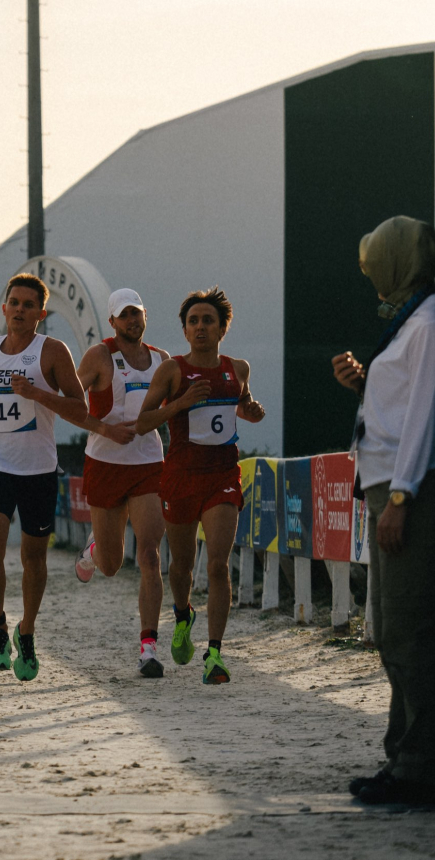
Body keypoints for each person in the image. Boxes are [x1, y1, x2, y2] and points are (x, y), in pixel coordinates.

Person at [333, 216, 435, 808]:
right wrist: (364, 384)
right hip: (391, 488)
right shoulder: (410, 321)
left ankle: (422, 769)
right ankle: (403, 759)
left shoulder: (431, 324)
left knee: (408, 631)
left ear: (399, 263)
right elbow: (400, 408)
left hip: (415, 492)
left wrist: (403, 498)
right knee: (391, 631)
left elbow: (426, 418)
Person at [0, 274, 132, 681]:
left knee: (33, 558)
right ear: (4, 308)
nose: (19, 309)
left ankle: (28, 630)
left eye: (27, 304)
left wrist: (38, 394)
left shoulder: (52, 351)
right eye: (13, 302)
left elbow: (78, 407)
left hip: (37, 468)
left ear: (41, 313)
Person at [136, 287, 265, 686]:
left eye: (208, 320)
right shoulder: (172, 371)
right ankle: (182, 613)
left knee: (218, 565)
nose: (200, 327)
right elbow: (142, 423)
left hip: (223, 476)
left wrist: (252, 411)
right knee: (182, 566)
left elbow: (243, 406)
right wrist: (181, 402)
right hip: (180, 478)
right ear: (185, 329)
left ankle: (214, 655)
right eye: (193, 321)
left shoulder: (237, 368)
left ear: (223, 327)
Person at [74, 289, 171, 678]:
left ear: (145, 316)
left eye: (137, 313)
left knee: (149, 555)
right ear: (112, 322)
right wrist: (104, 430)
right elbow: (70, 400)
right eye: (124, 315)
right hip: (105, 461)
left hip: (148, 461)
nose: (132, 320)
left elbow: (175, 409)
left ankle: (148, 648)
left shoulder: (162, 360)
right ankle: (96, 548)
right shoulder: (99, 356)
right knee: (112, 566)